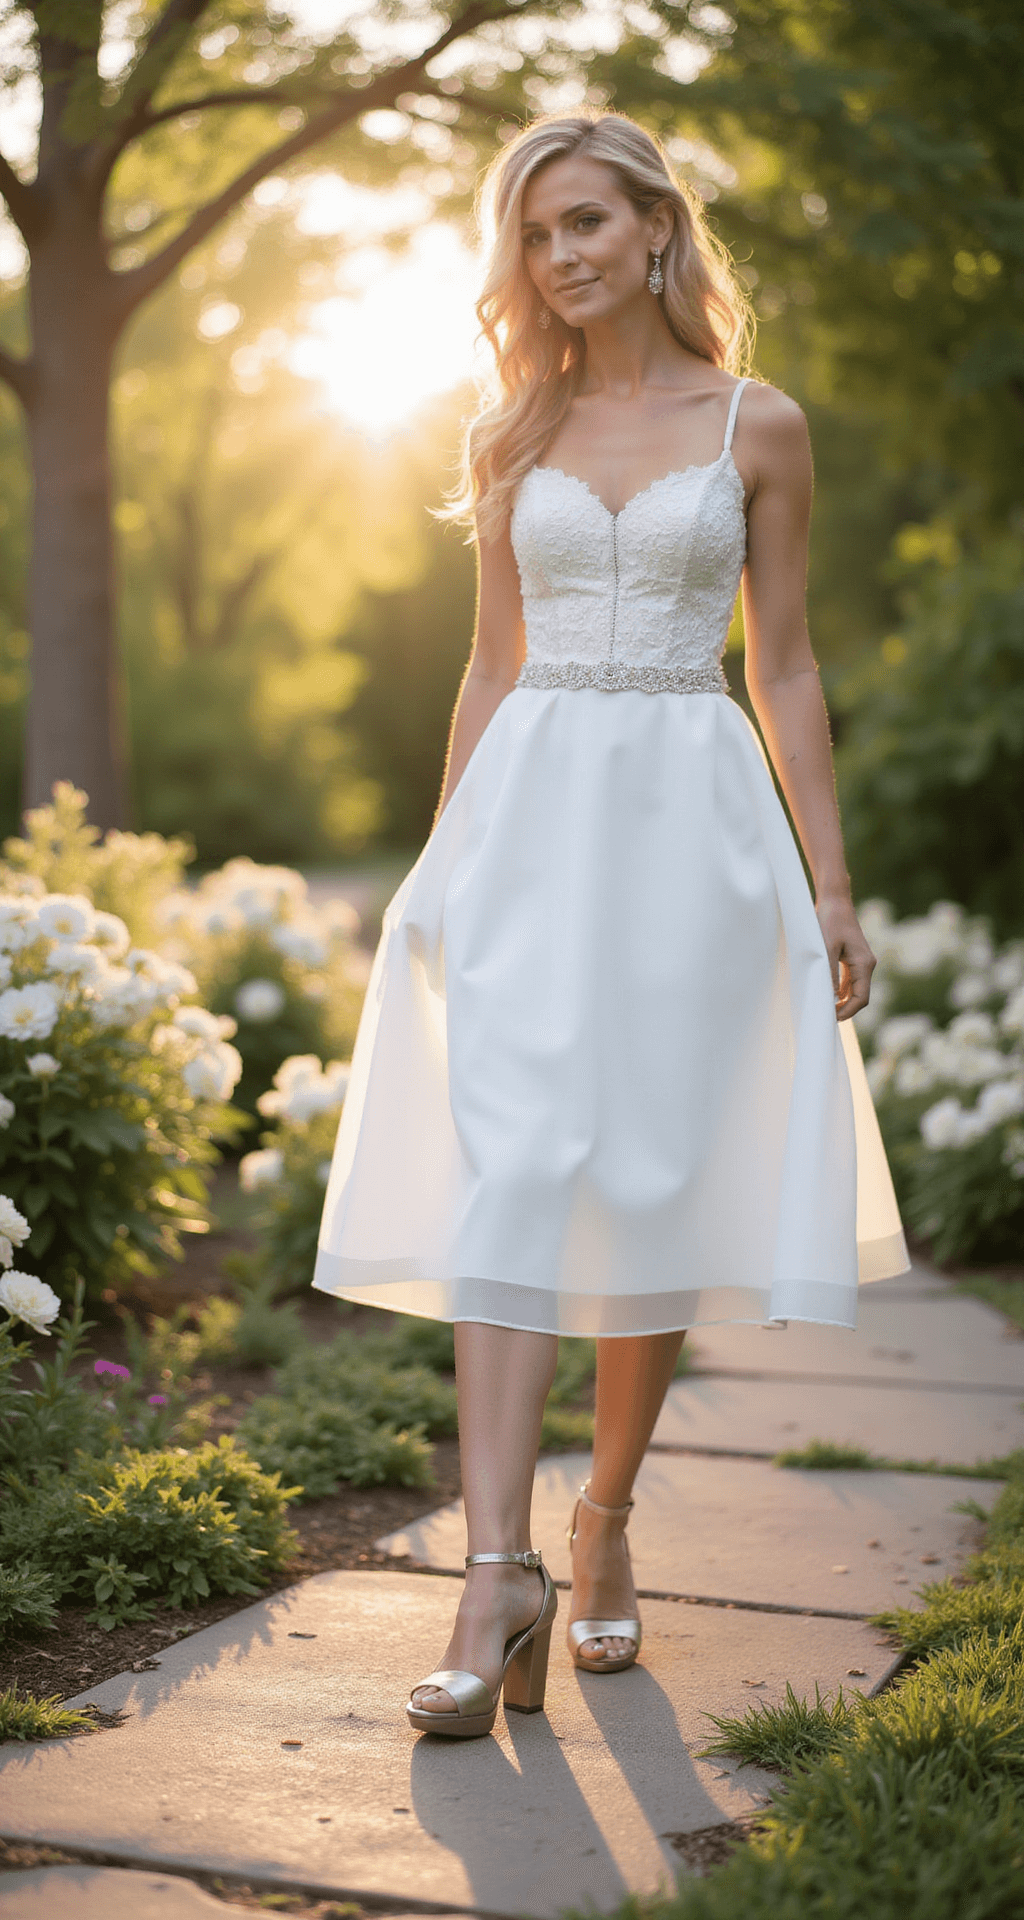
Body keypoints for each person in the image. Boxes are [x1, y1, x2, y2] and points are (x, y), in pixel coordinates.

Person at [313, 112, 909, 1740]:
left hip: (695, 830)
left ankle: (604, 1522)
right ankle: (494, 1565)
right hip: (532, 818)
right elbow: (488, 664)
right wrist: (442, 860)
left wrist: (830, 880)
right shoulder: (511, 431)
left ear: (657, 225)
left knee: (646, 1178)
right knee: (513, 1165)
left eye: (585, 221)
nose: (560, 256)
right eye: (533, 236)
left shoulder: (759, 426)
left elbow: (782, 666)